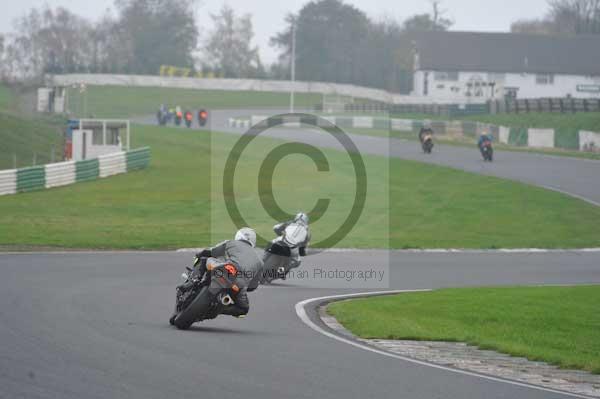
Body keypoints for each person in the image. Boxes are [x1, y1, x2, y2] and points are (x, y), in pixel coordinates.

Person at [194, 228, 263, 318]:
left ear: (238, 236)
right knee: (243, 309)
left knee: (204, 259)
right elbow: (253, 285)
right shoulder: (260, 262)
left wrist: (200, 254)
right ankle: (217, 309)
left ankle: (195, 279)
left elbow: (212, 251)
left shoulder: (231, 243)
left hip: (225, 271)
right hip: (238, 285)